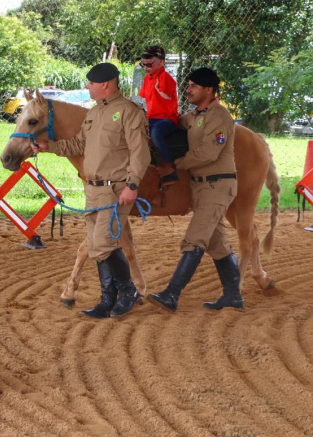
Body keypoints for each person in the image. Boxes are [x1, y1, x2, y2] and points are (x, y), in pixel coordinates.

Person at [31, 63, 151, 318]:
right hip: (93, 189)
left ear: (105, 84)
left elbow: (140, 152)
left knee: (104, 245)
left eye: (91, 83)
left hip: (116, 189)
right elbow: (78, 145)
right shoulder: (93, 114)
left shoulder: (129, 112)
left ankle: (127, 291)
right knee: (97, 246)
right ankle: (108, 298)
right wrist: (47, 146)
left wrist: (132, 185)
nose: (87, 87)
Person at [147, 67, 244, 312]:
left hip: (217, 185)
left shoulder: (220, 117)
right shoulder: (194, 115)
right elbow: (174, 121)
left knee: (194, 240)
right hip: (200, 187)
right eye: (188, 85)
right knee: (217, 243)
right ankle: (233, 296)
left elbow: (210, 152)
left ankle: (171, 295)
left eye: (193, 86)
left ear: (209, 90)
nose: (187, 89)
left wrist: (175, 164)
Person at [138, 46, 180, 185]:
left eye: (149, 64)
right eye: (143, 64)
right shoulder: (147, 79)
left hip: (166, 119)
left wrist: (159, 90)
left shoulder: (165, 77)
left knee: (156, 133)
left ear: (160, 62)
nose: (146, 67)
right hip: (151, 117)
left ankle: (169, 167)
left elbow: (168, 97)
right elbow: (143, 96)